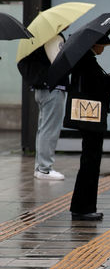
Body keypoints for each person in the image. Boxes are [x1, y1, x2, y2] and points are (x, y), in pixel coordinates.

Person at [68, 37, 110, 222]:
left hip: (89, 119)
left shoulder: (84, 60)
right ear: (95, 44)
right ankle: (83, 208)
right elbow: (99, 88)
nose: (104, 49)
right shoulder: (88, 62)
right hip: (91, 120)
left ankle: (82, 207)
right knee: (90, 163)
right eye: (103, 45)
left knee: (89, 161)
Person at [18, 32, 68, 180]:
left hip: (43, 89)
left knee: (44, 128)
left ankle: (40, 167)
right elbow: (59, 62)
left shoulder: (42, 38)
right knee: (49, 129)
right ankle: (45, 168)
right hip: (53, 89)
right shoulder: (54, 37)